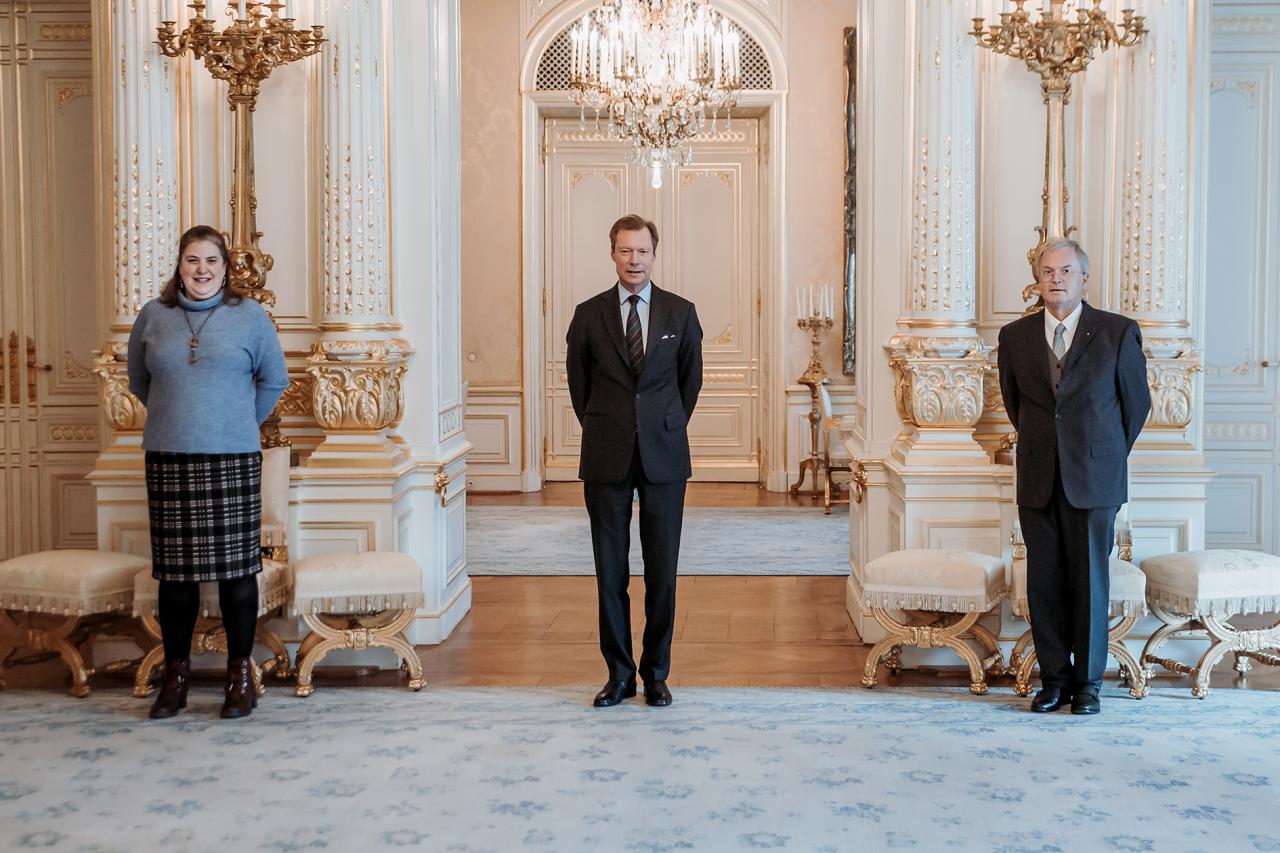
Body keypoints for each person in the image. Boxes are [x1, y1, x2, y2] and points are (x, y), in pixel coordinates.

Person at [128, 225, 288, 720]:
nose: (202, 270)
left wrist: (234, 421)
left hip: (232, 458)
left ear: (225, 268)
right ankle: (175, 677)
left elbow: (274, 379)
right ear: (180, 265)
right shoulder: (153, 316)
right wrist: (180, 419)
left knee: (238, 574)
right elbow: (139, 380)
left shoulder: (251, 317)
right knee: (175, 578)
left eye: (211, 261)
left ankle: (240, 676)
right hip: (170, 458)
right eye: (193, 260)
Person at [997, 238, 1150, 716]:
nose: (1056, 278)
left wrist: (1100, 453)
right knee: (1043, 583)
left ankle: (1087, 685)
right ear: (1037, 279)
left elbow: (1136, 406)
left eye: (1066, 270)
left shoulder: (1117, 332)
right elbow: (1015, 404)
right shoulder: (1015, 337)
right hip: (1039, 475)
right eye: (1047, 271)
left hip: (1095, 479)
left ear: (1084, 278)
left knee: (1088, 582)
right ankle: (1054, 681)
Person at [566, 214, 703, 708]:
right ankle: (619, 675)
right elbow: (578, 384)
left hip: (665, 456)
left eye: (642, 251)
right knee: (610, 572)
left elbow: (691, 382)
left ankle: (657, 673)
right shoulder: (588, 314)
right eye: (626, 251)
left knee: (662, 570)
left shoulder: (680, 313)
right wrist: (608, 426)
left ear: (654, 253)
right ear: (612, 254)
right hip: (606, 454)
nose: (634, 260)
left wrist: (661, 425)